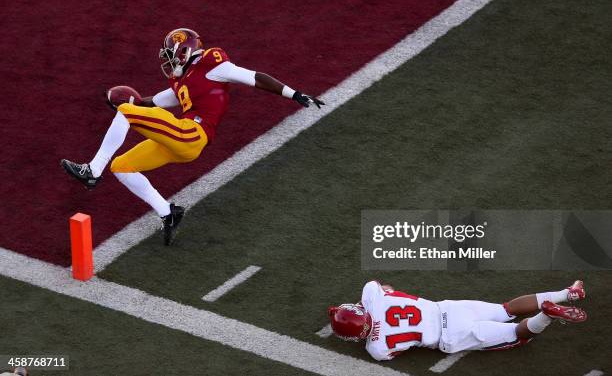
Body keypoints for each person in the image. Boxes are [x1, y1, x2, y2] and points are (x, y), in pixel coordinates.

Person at [61, 28, 324, 245]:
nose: (168, 62)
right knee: (122, 166)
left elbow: (254, 78)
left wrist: (294, 93)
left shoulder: (213, 63)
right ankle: (168, 213)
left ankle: (93, 170)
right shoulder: (183, 79)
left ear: (185, 51)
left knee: (127, 113)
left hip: (192, 134)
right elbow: (154, 103)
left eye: (170, 55)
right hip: (181, 140)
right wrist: (130, 101)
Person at [328, 279, 586, 360]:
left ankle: (546, 315)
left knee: (517, 337)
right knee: (506, 309)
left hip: (450, 336)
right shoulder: (373, 296)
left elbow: (398, 349)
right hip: (449, 310)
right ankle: (569, 293)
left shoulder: (376, 348)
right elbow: (384, 286)